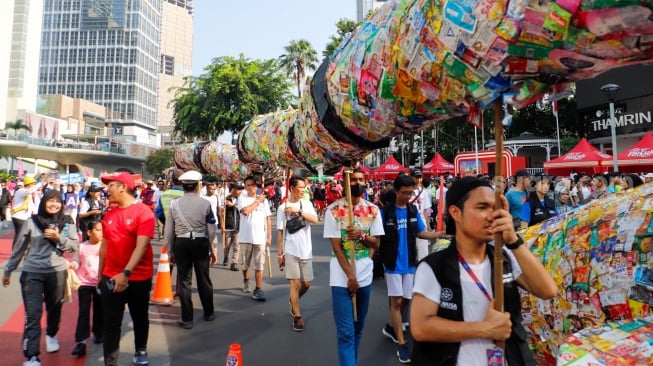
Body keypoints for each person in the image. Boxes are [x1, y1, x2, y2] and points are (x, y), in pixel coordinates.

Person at [410, 177, 558, 365]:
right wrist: (485, 329)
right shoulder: (434, 266)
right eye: (482, 207)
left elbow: (547, 291)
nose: (492, 215)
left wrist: (513, 240)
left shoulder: (503, 257)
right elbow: (421, 328)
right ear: (456, 212)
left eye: (494, 207)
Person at [2, 189, 79, 366]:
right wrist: (8, 270)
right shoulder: (32, 222)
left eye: (57, 201)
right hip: (32, 273)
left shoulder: (67, 222)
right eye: (50, 201)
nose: (54, 204)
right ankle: (32, 356)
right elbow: (19, 247)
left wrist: (58, 237)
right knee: (33, 314)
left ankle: (51, 334)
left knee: (54, 309)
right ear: (43, 201)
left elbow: (73, 247)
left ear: (62, 204)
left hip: (57, 272)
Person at [379, 174, 445, 364]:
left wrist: (437, 234)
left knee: (407, 300)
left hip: (409, 263)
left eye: (410, 193)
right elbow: (376, 236)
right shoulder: (385, 213)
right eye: (404, 193)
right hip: (392, 264)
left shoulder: (412, 211)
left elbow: (421, 232)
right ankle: (402, 344)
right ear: (396, 191)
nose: (408, 196)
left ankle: (393, 326)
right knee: (396, 302)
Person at [323, 168, 384, 366]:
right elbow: (336, 248)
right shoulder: (333, 210)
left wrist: (362, 236)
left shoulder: (373, 210)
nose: (357, 183)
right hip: (341, 275)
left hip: (365, 272)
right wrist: (350, 276)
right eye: (352, 179)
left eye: (360, 179)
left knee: (358, 327)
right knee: (345, 332)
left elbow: (376, 244)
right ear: (345, 183)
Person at [98, 172, 156, 366]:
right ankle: (110, 361)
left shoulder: (143, 212)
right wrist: (100, 277)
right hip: (111, 277)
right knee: (111, 323)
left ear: (123, 187)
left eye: (111, 185)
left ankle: (141, 350)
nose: (108, 190)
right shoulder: (109, 214)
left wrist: (126, 273)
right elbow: (104, 247)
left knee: (140, 317)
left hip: (137, 277)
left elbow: (142, 246)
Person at [164, 170, 218, 329]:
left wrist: (169, 251)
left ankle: (187, 318)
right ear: (198, 186)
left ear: (182, 186)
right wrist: (213, 249)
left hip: (181, 243)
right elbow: (211, 230)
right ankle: (209, 312)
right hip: (200, 242)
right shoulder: (205, 204)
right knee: (204, 279)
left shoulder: (174, 204)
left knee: (185, 281)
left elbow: (168, 232)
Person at [276, 176, 319, 332]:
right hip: (291, 250)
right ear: (292, 187)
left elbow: (315, 220)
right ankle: (297, 316)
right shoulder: (282, 207)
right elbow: (280, 232)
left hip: (306, 249)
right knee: (295, 283)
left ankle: (293, 301)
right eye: (301, 187)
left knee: (307, 283)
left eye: (304, 188)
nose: (303, 190)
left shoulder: (306, 204)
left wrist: (299, 211)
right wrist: (280, 254)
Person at [70, 219, 104, 357]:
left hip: (99, 283)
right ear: (89, 232)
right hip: (84, 283)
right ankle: (81, 342)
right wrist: (73, 264)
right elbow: (77, 260)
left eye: (102, 229)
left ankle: (98, 332)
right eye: (98, 229)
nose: (101, 233)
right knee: (84, 312)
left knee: (99, 309)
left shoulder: (105, 246)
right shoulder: (82, 246)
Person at [238, 176, 272, 301]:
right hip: (245, 237)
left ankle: (258, 289)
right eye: (248, 185)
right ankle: (246, 280)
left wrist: (269, 236)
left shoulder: (265, 201)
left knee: (259, 265)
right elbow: (246, 211)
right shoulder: (242, 198)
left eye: (253, 185)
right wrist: (257, 201)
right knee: (244, 264)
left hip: (260, 237)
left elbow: (268, 218)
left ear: (256, 186)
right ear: (245, 187)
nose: (251, 187)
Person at [410, 169, 433, 260]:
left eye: (420, 178)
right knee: (409, 246)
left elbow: (425, 210)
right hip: (408, 221)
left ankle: (423, 267)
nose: (418, 180)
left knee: (423, 248)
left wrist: (428, 225)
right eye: (416, 178)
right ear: (411, 177)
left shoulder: (424, 191)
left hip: (421, 221)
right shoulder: (407, 191)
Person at [221, 182, 243, 270]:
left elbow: (242, 209)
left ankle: (234, 262)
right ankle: (226, 256)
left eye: (240, 189)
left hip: (238, 225)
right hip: (228, 225)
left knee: (237, 245)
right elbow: (222, 213)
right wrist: (222, 226)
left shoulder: (241, 199)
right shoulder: (226, 199)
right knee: (227, 245)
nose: (239, 191)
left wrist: (233, 205)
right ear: (233, 190)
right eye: (237, 189)